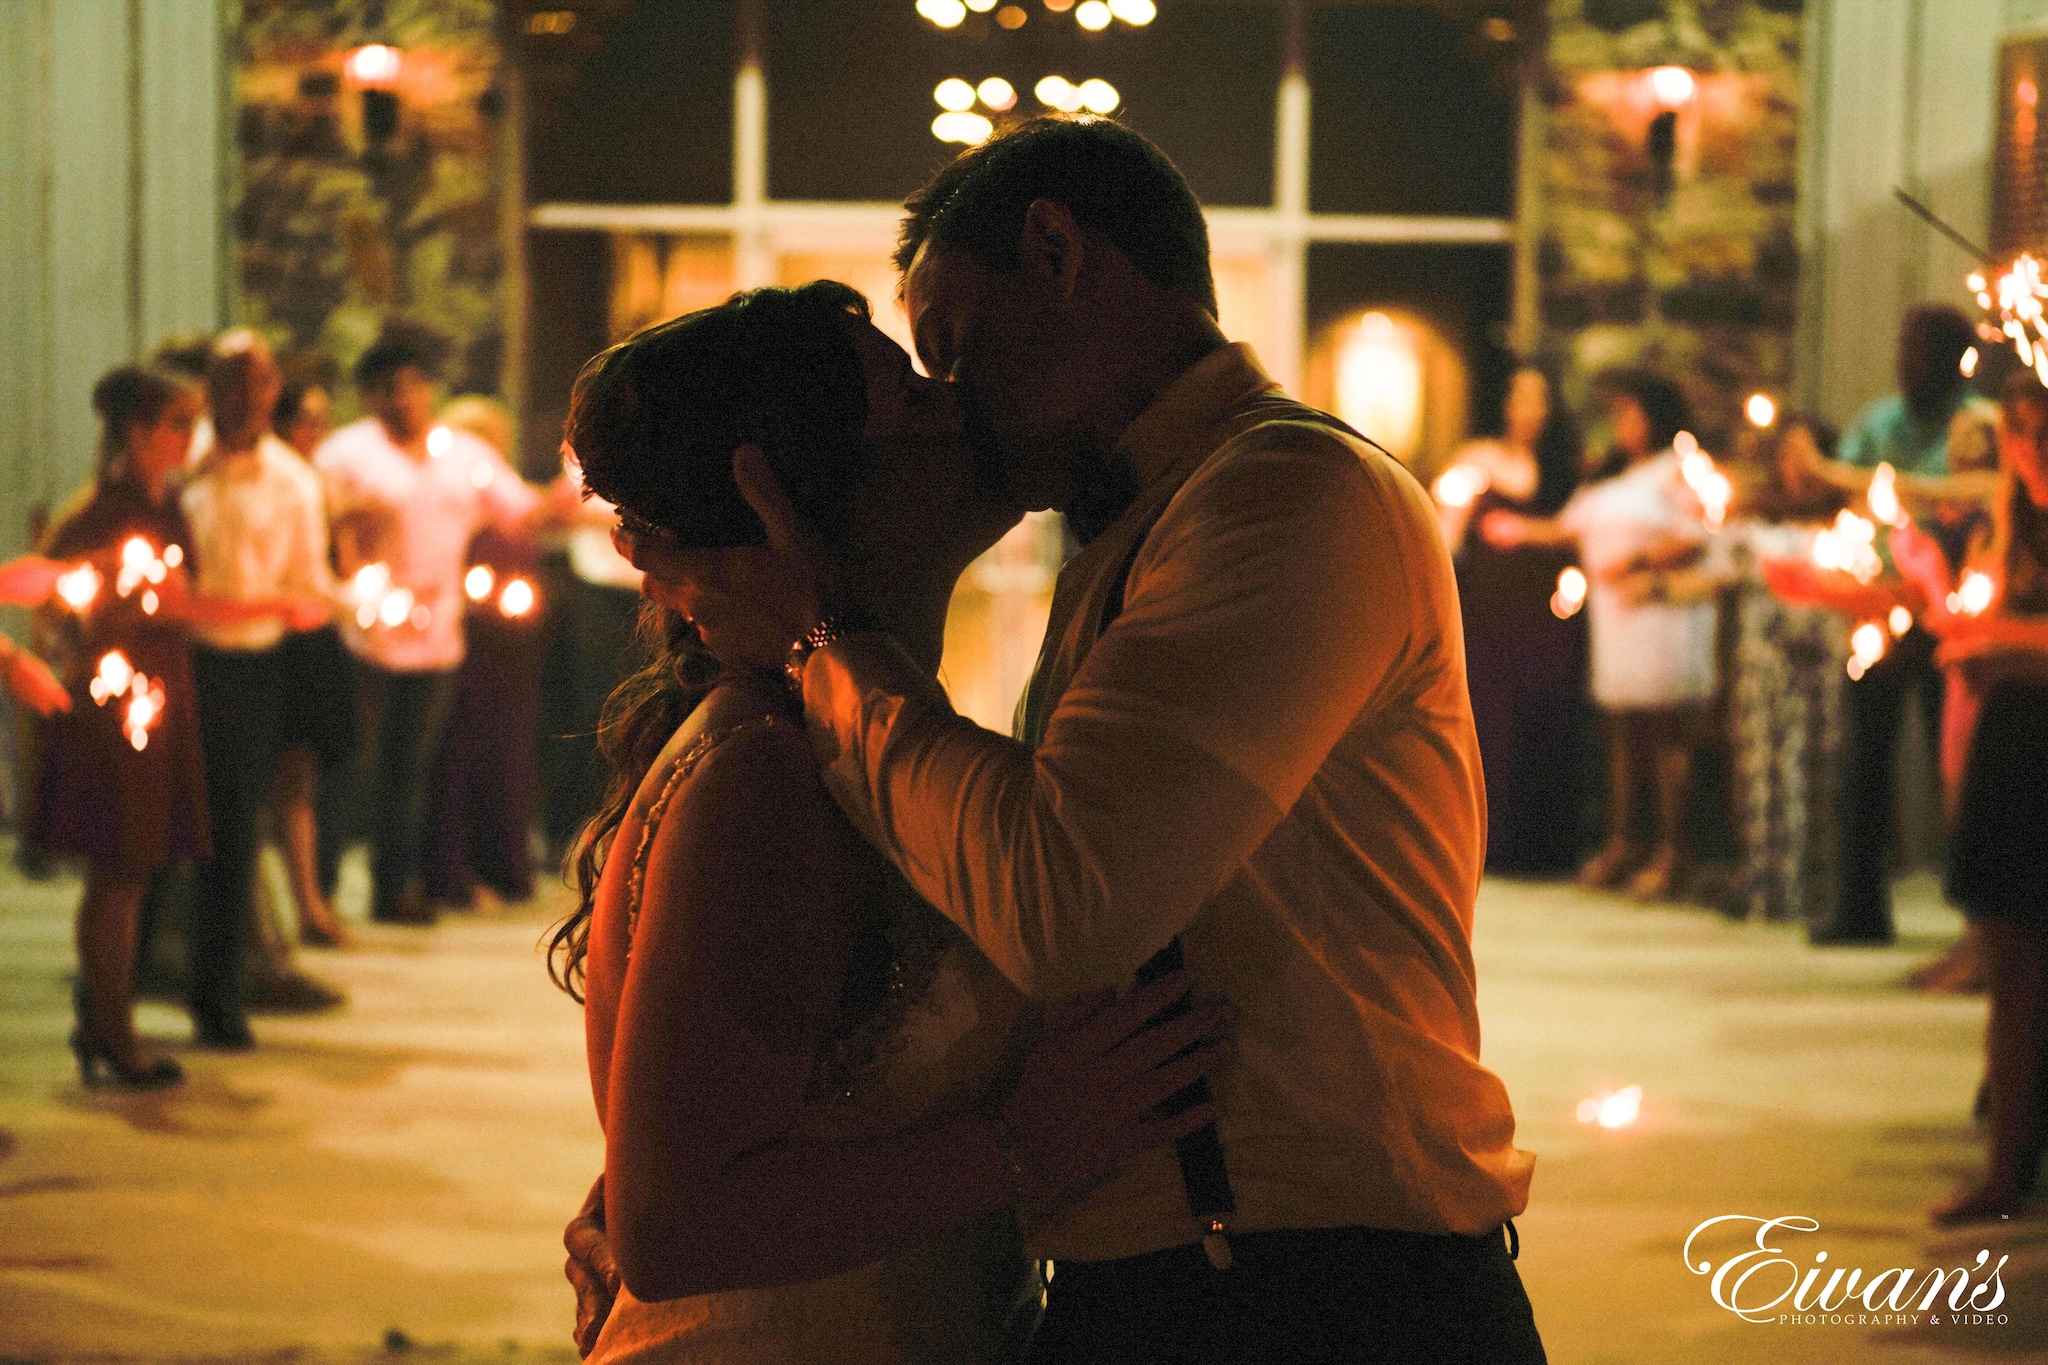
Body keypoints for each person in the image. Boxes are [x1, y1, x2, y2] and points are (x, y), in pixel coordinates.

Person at [611, 118, 1543, 1364]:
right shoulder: (784, 749)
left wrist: (825, 640)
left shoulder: (1281, 494)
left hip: (1320, 1289)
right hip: (1196, 1283)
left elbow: (1064, 903)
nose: (955, 406)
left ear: (1053, 251)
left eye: (954, 346)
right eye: (919, 388)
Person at [552, 280, 1226, 1362]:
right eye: (913, 403)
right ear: (794, 494)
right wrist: (1023, 1144)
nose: (960, 403)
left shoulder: (853, 739)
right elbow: (672, 1226)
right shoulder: (764, 776)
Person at [33, 367, 300, 1084]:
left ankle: (104, 1021)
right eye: (178, 423)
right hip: (122, 704)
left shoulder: (165, 500)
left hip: (160, 693)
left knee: (135, 870)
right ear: (138, 432)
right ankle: (112, 1030)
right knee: (118, 871)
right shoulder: (106, 513)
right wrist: (272, 608)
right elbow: (138, 605)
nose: (191, 435)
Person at [313, 325, 547, 925]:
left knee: (410, 767)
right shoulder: (343, 455)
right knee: (345, 765)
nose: (405, 400)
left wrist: (576, 488)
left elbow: (523, 512)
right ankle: (323, 890)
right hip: (360, 631)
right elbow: (312, 526)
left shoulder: (463, 456)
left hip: (438, 632)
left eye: (415, 386)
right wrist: (344, 522)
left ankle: (395, 888)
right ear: (368, 396)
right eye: (390, 388)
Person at [1486, 370, 1721, 901]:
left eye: (1630, 413)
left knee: (1667, 731)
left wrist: (1636, 561)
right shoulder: (1612, 475)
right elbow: (1570, 527)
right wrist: (1516, 529)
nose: (1621, 423)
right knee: (1623, 731)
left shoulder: (1680, 468)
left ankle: (1674, 850)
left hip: (1659, 612)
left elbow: (1698, 534)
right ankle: (1624, 842)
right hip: (1616, 620)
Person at [1817, 307, 1999, 945]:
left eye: (1921, 354)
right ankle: (1860, 907)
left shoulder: (1980, 425)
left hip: (1953, 618)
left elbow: (1964, 497)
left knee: (1959, 766)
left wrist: (1836, 472)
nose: (1907, 366)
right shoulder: (1878, 423)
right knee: (1865, 761)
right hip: (1881, 610)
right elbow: (1850, 503)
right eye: (1904, 352)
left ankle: (1976, 924)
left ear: (1953, 362)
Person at [179, 331, 337, 1048]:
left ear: (274, 389)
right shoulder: (181, 464)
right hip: (180, 660)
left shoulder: (294, 481)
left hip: (249, 670)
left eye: (258, 380)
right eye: (230, 380)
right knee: (155, 828)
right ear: (210, 387)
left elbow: (309, 586)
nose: (245, 395)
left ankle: (218, 996)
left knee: (233, 832)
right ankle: (128, 981)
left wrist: (339, 603)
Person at [1920, 373, 2048, 1223]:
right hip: (2014, 738)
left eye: (2041, 431)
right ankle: (2006, 1165)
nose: (2027, 449)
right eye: (2016, 431)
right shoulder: (2016, 514)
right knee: (2010, 963)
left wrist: (1997, 642)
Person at [1433, 365, 1590, 875]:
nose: (1529, 410)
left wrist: (1526, 532)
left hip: (1546, 612)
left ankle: (1541, 848)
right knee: (1490, 716)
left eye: (1539, 399)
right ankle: (1487, 843)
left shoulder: (1566, 469)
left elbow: (1578, 533)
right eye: (1520, 397)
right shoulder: (1477, 459)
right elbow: (1448, 535)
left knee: (1543, 710)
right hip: (1491, 610)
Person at [422, 395, 547, 908]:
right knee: (461, 751)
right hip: (469, 639)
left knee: (504, 750)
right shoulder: (452, 494)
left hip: (510, 645)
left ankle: (502, 865)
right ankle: (455, 870)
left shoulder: (506, 489)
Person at [1724, 416, 1849, 924]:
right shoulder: (1755, 520)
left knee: (1823, 765)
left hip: (1822, 655)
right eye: (1787, 454)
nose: (1796, 466)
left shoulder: (1846, 520)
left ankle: (1820, 895)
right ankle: (1768, 889)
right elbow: (1719, 576)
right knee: (1767, 771)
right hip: (1766, 661)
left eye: (1807, 454)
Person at [268, 372, 355, 947]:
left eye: (323, 421)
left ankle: (310, 901)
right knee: (280, 777)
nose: (316, 432)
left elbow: (338, 562)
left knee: (304, 774)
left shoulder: (315, 480)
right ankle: (296, 906)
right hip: (279, 637)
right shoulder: (274, 478)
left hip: (317, 637)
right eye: (306, 420)